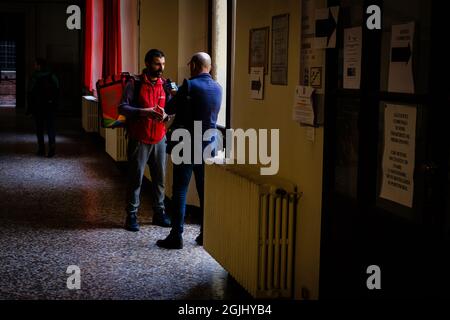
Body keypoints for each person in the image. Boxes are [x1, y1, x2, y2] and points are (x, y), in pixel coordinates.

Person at [156, 52, 222, 249]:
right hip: (208, 144)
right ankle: (205, 234)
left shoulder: (190, 85)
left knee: (180, 191)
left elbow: (169, 107)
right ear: (209, 67)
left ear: (194, 65)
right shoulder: (218, 88)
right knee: (204, 191)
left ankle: (176, 236)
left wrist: (173, 93)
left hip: (186, 144)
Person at [119, 49, 174, 232]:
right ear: (148, 63)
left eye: (163, 64)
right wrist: (144, 112)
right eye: (158, 64)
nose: (161, 68)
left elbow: (172, 108)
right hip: (139, 138)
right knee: (136, 179)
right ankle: (131, 215)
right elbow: (123, 107)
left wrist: (166, 115)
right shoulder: (133, 83)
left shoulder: (165, 84)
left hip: (159, 138)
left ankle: (159, 213)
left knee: (159, 180)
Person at [27, 58, 59, 157]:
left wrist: (29, 109)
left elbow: (30, 93)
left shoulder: (34, 77)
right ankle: (52, 150)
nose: (34, 66)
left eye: (35, 64)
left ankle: (41, 150)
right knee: (51, 128)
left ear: (39, 66)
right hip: (50, 106)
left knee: (39, 129)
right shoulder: (52, 75)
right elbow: (57, 89)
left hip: (38, 107)